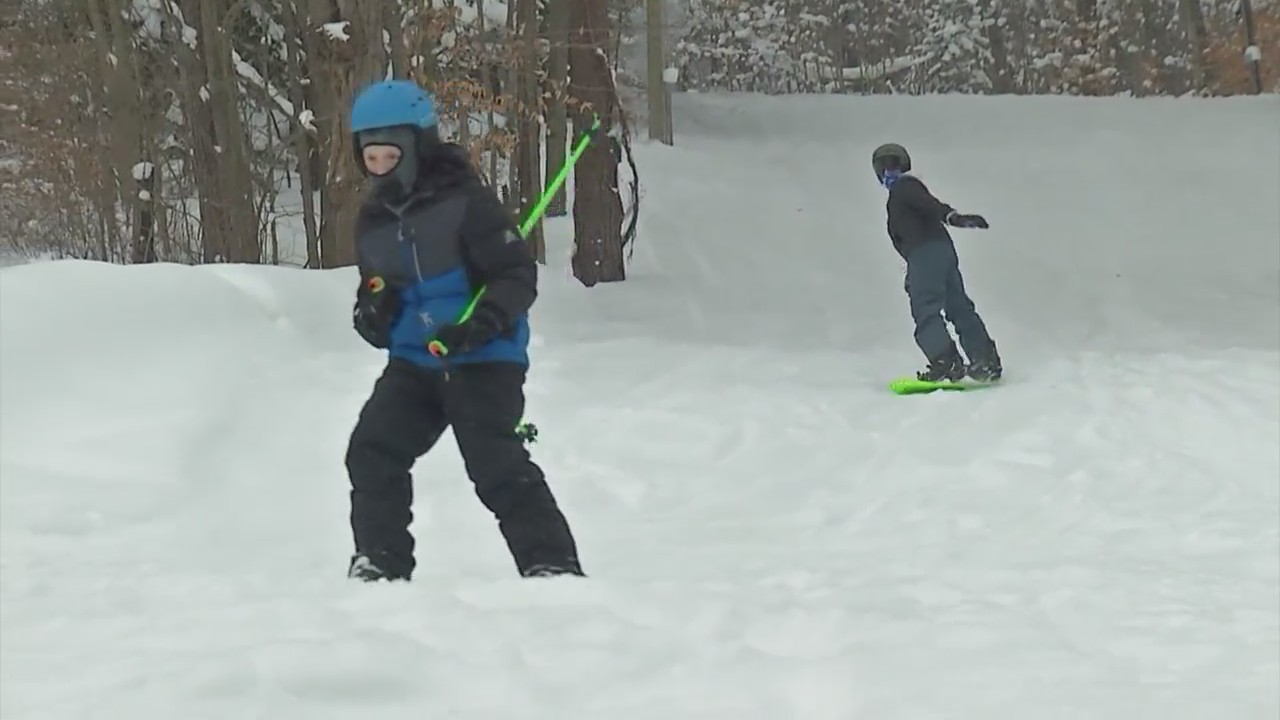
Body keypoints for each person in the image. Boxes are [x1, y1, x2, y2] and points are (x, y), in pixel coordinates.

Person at [343, 78, 584, 582]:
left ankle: (551, 565)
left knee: (494, 461)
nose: (382, 169)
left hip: (483, 359)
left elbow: (516, 275)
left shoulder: (466, 203)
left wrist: (482, 324)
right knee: (371, 450)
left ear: (417, 146)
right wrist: (372, 312)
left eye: (392, 156)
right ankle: (379, 564)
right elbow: (375, 298)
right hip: (415, 361)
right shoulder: (373, 222)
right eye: (372, 159)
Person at [871, 142, 1003, 383]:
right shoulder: (902, 193)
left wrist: (952, 216)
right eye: (884, 167)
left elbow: (928, 205)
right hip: (941, 252)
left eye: (894, 165)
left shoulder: (905, 187)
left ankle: (946, 361)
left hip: (926, 253)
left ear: (903, 167)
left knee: (925, 308)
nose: (889, 172)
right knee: (957, 305)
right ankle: (985, 361)